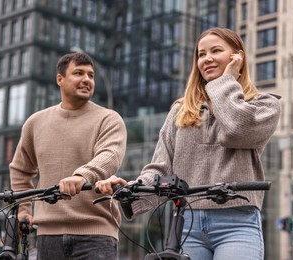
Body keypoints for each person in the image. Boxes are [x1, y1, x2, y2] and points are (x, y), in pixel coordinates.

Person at [96, 27, 281, 260]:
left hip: (237, 223)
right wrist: (130, 189)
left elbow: (236, 130)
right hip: (186, 224)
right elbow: (160, 168)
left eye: (216, 51)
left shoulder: (264, 105)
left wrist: (225, 82)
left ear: (237, 57)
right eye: (201, 54)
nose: (207, 59)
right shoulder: (180, 111)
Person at [10, 52, 127, 260]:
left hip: (96, 236)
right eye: (78, 73)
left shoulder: (108, 119)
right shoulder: (35, 123)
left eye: (91, 75)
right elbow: (21, 169)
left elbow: (109, 156)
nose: (86, 80)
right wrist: (23, 209)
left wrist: (82, 176)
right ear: (60, 79)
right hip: (47, 235)